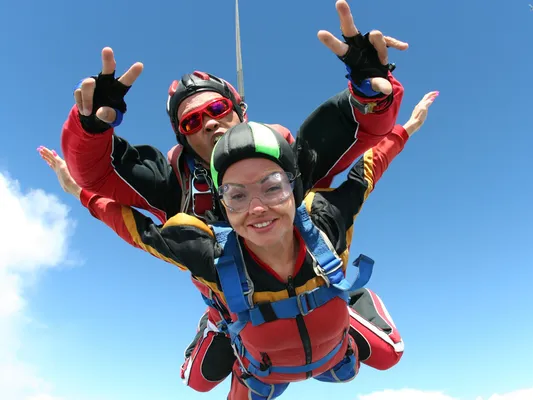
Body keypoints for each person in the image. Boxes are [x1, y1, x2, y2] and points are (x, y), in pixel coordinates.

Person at [40, 92, 438, 397]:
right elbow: (132, 227)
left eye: (273, 187)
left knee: (388, 356)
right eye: (236, 196)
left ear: (295, 188)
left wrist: (405, 128)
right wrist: (80, 192)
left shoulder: (325, 220)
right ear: (222, 209)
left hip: (330, 340)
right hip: (260, 357)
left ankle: (349, 307)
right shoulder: (208, 253)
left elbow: (368, 170)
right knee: (199, 384)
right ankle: (219, 322)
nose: (258, 208)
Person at [60, 0, 408, 224]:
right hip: (235, 322)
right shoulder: (173, 186)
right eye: (192, 121)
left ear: (240, 111)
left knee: (384, 343)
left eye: (217, 107)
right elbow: (98, 174)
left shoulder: (289, 157)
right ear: (184, 137)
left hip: (320, 306)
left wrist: (369, 93)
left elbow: (361, 135)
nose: (209, 121)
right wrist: (90, 128)